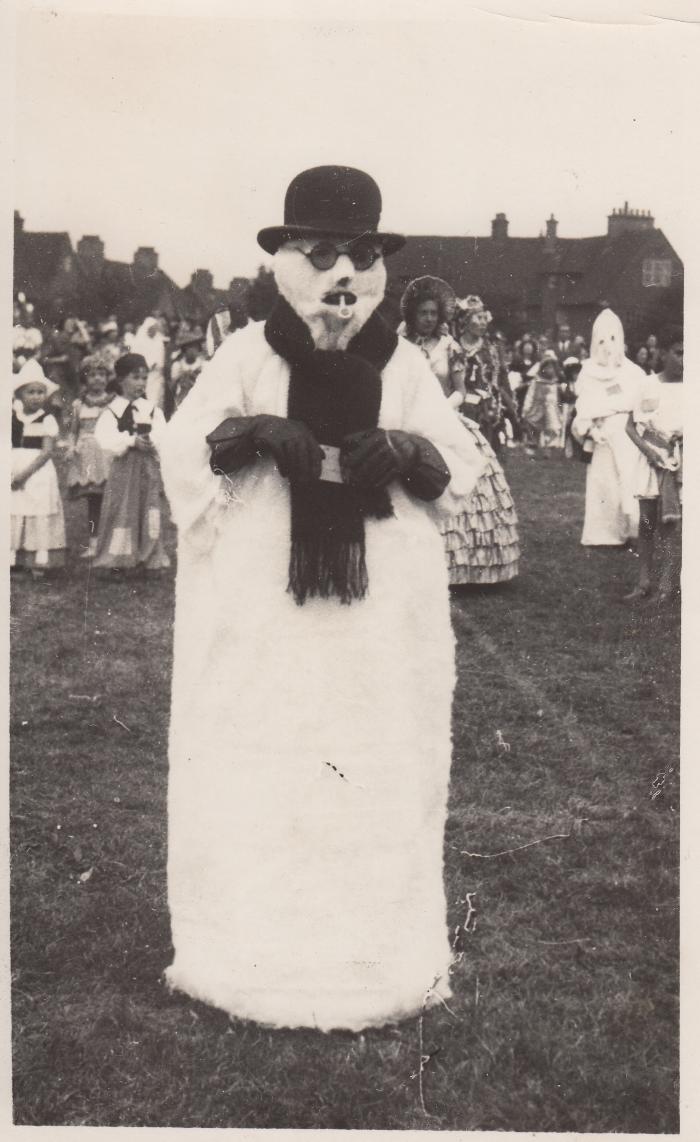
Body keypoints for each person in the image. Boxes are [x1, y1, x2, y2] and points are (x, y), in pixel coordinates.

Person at [158, 165, 485, 1033]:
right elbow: (185, 450)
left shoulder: (401, 361)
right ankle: (251, 958)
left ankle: (373, 955)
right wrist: (257, 432)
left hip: (377, 616)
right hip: (265, 607)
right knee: (267, 753)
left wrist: (406, 451)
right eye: (324, 253)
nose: (344, 274)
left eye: (361, 255)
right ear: (287, 261)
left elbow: (460, 464)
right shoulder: (247, 354)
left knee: (368, 756)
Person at [400, 277, 519, 585]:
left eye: (432, 314)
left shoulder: (450, 347)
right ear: (412, 315)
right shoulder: (399, 345)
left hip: (444, 416)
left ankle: (464, 567)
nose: (428, 319)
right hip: (405, 419)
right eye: (422, 313)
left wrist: (439, 412)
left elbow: (460, 390)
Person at [571, 308, 646, 546]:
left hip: (628, 433)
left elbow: (643, 403)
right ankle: (602, 535)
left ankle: (631, 530)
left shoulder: (634, 372)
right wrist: (590, 429)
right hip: (602, 434)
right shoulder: (588, 372)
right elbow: (583, 406)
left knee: (629, 480)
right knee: (604, 484)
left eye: (613, 339)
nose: (608, 346)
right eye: (602, 340)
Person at [92, 353, 170, 573]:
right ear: (120, 380)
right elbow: (104, 438)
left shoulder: (151, 409)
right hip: (124, 469)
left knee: (149, 508)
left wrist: (151, 441)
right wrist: (130, 441)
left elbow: (162, 433)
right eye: (135, 378)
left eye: (144, 378)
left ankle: (150, 555)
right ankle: (120, 559)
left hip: (147, 468)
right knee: (123, 509)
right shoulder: (112, 411)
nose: (141, 383)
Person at [624, 325, 683, 602]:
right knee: (646, 522)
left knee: (671, 525)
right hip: (651, 460)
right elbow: (631, 427)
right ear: (663, 353)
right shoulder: (647, 384)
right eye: (679, 353)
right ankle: (644, 581)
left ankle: (666, 584)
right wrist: (649, 452)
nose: (684, 360)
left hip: (679, 463)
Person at [11, 359, 66, 575]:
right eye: (30, 392)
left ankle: (39, 559)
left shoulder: (47, 419)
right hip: (13, 466)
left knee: (38, 511)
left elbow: (47, 452)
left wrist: (24, 474)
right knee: (15, 510)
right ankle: (14, 557)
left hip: (37, 472)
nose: (36, 397)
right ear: (20, 395)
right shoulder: (12, 418)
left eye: (40, 392)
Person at [452, 296, 519, 452]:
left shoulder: (492, 348)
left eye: (484, 318)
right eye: (478, 318)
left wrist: (510, 403)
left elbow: (502, 377)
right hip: (461, 406)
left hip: (489, 408)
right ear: (466, 322)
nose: (483, 322)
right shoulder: (454, 346)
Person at [65, 357, 112, 558]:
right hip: (87, 454)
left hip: (106, 453)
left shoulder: (112, 403)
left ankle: (110, 540)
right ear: (85, 379)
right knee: (94, 499)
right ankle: (93, 543)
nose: (97, 379)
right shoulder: (78, 405)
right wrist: (71, 446)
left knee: (110, 498)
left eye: (101, 375)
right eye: (92, 375)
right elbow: (73, 431)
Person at [521, 350, 564, 449]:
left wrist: (558, 408)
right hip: (537, 407)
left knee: (551, 427)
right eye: (547, 367)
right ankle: (533, 442)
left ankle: (549, 447)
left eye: (552, 368)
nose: (550, 370)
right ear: (542, 368)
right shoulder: (536, 381)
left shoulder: (554, 382)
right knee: (534, 424)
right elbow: (530, 394)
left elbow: (557, 397)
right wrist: (526, 408)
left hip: (551, 408)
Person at [131, 317, 167, 410]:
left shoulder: (158, 341)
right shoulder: (140, 341)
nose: (153, 330)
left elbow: (160, 359)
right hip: (142, 373)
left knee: (155, 398)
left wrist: (154, 364)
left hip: (156, 374)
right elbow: (135, 355)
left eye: (155, 328)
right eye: (151, 328)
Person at [169, 328, 206, 408]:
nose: (193, 351)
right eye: (190, 348)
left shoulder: (203, 365)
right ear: (184, 350)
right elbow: (172, 389)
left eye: (195, 347)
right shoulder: (177, 365)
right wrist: (180, 378)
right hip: (182, 400)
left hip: (199, 400)